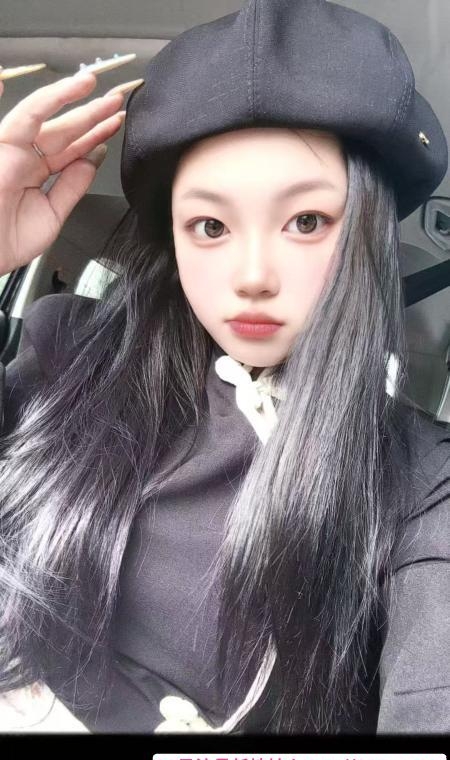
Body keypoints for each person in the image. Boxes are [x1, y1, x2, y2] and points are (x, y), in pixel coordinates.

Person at [0, 0, 449, 735]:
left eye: (307, 221)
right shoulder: (69, 357)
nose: (251, 276)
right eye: (210, 225)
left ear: (369, 236)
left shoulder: (422, 482)